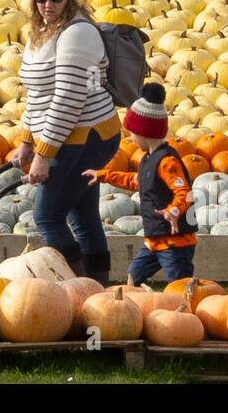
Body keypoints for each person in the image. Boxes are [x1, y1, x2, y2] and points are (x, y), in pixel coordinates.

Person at [11, 0, 122, 285]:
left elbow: (68, 100)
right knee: (82, 216)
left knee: (47, 216)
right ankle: (99, 289)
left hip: (88, 135)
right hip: (66, 135)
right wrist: (27, 141)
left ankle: (76, 289)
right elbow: (38, 96)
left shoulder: (78, 34)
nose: (47, 4)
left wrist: (44, 154)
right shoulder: (40, 33)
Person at [83, 83, 196, 284]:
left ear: (144, 132)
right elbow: (136, 181)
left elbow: (183, 192)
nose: (131, 138)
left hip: (175, 242)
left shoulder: (167, 162)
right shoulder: (148, 159)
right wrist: (103, 175)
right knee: (133, 276)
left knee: (179, 285)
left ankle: (187, 313)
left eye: (132, 133)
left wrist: (174, 211)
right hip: (154, 241)